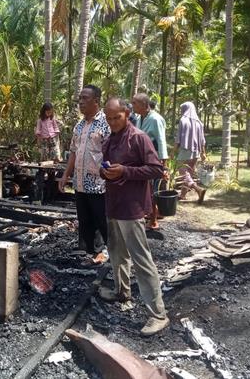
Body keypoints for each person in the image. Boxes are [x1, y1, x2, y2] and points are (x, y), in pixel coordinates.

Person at [99, 97, 168, 336]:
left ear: (127, 114)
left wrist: (125, 170)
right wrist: (105, 171)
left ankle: (158, 314)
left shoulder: (139, 138)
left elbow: (157, 169)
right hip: (113, 204)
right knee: (117, 253)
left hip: (131, 208)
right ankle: (122, 291)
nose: (112, 122)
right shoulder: (110, 140)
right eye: (108, 118)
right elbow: (104, 167)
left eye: (116, 117)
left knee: (141, 259)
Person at [59, 84, 110, 266]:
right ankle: (92, 252)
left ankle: (109, 251)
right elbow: (73, 151)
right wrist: (66, 175)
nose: (80, 102)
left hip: (98, 182)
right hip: (80, 182)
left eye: (85, 98)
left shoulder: (106, 123)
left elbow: (111, 153)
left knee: (101, 218)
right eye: (79, 99)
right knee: (85, 219)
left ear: (96, 101)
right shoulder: (79, 126)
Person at [133, 93, 169, 229]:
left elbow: (161, 140)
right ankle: (148, 214)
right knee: (144, 188)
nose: (133, 106)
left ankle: (153, 220)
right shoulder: (139, 118)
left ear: (144, 105)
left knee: (153, 189)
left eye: (135, 103)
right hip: (141, 158)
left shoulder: (155, 119)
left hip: (153, 158)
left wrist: (162, 164)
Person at [174, 102, 206, 202]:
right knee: (189, 173)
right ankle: (183, 194)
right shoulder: (199, 122)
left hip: (185, 150)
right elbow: (202, 140)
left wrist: (173, 152)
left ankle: (198, 189)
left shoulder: (183, 121)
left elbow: (178, 139)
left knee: (183, 173)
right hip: (196, 151)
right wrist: (203, 152)